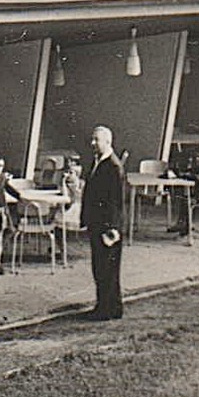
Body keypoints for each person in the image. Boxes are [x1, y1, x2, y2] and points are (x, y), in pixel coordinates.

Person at [82, 125, 125, 320]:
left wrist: (112, 228)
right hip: (96, 222)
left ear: (107, 142)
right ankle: (108, 306)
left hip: (106, 225)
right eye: (92, 139)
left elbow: (115, 200)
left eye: (96, 140)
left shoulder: (113, 166)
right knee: (100, 267)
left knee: (107, 268)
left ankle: (108, 308)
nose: (92, 143)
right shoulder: (97, 161)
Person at [165, 146, 199, 236]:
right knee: (184, 199)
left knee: (187, 201)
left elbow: (197, 177)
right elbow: (192, 173)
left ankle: (185, 226)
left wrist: (182, 175)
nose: (196, 159)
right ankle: (182, 223)